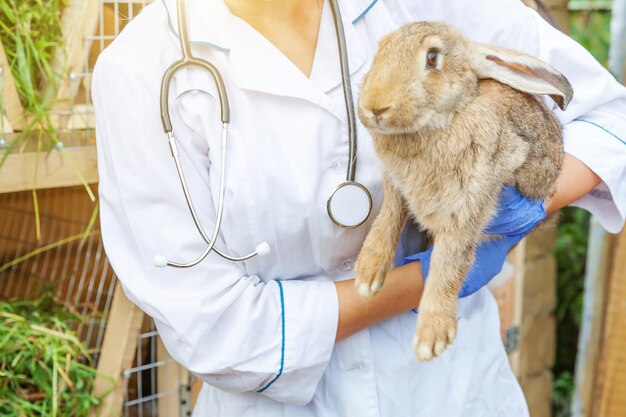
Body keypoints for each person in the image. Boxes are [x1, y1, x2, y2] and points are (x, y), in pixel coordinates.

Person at [92, 0, 626, 415]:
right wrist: (428, 282)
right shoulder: (142, 69)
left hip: (453, 392)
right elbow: (215, 331)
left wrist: (508, 208)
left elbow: (607, 118)